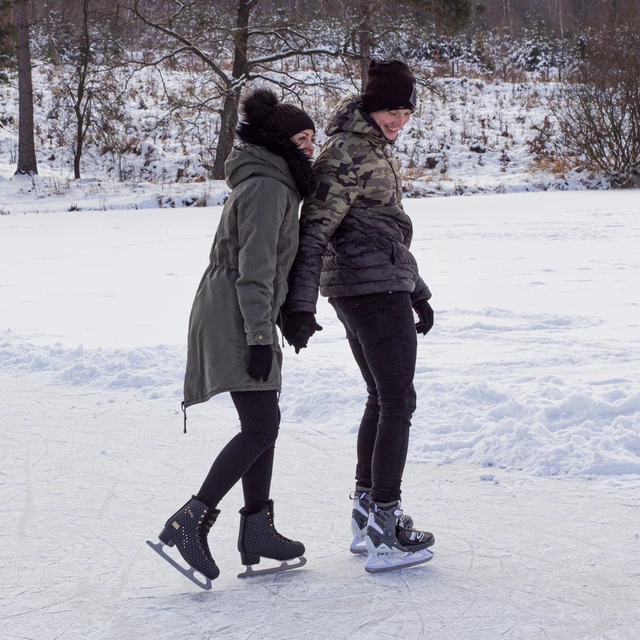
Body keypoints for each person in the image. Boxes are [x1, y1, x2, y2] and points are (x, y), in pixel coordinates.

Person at [148, 88, 316, 587]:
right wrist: (262, 334)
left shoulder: (277, 182)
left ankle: (258, 531)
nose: (309, 148)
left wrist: (286, 316)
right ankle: (189, 522)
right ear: (277, 141)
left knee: (265, 422)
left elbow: (268, 269)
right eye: (301, 140)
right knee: (261, 426)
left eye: (312, 139)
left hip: (244, 311)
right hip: (237, 315)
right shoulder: (267, 188)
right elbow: (254, 270)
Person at [281, 60, 436, 573]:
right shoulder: (347, 152)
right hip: (366, 290)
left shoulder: (370, 147)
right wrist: (299, 305)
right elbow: (314, 233)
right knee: (398, 400)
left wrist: (418, 290)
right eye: (392, 110)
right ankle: (386, 527)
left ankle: (367, 511)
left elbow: (383, 232)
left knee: (382, 396)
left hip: (376, 283)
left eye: (406, 112)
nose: (399, 120)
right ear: (371, 107)